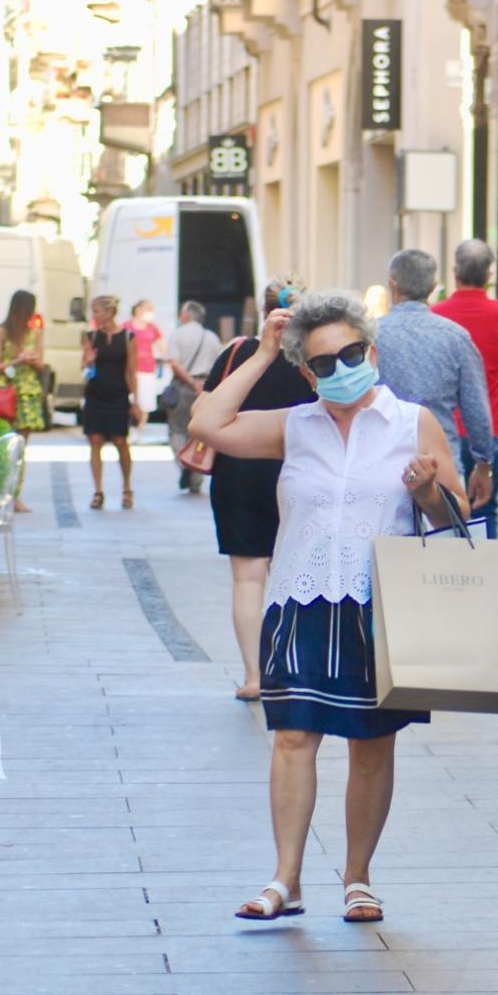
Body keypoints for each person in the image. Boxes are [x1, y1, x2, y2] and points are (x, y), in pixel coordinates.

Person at [189, 290, 467, 924]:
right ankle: (286, 879)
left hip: (378, 606)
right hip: (299, 597)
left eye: (351, 352)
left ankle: (357, 877)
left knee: (372, 743)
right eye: (322, 362)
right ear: (306, 370)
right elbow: (207, 424)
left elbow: (454, 512)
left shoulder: (410, 421)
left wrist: (426, 491)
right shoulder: (296, 425)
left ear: (371, 350)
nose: (341, 367)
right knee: (292, 737)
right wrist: (262, 353)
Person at [202, 277, 316, 701]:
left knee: (248, 579)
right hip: (300, 472)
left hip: (238, 472)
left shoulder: (238, 353)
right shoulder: (315, 358)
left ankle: (254, 675)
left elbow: (205, 409)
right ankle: (293, 667)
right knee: (301, 575)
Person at [371, 249, 494, 513]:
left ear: (393, 283)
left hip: (380, 463)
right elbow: (477, 411)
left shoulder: (370, 336)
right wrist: (483, 464)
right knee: (441, 548)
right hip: (441, 463)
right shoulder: (456, 337)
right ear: (433, 287)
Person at [433, 239, 498, 536]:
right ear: (489, 275)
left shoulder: (437, 313)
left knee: (441, 507)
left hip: (446, 425)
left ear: (455, 272)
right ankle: (483, 577)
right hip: (492, 421)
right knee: (486, 505)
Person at [80, 295, 141, 510]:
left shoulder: (127, 337)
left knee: (120, 442)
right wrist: (88, 363)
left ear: (109, 312)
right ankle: (98, 491)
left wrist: (135, 401)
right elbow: (84, 372)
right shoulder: (90, 336)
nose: (94, 315)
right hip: (95, 394)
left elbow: (131, 371)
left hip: (118, 395)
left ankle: (127, 487)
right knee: (95, 441)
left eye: (97, 311)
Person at [0, 290, 47, 512]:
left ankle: (15, 495)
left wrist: (32, 361)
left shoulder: (35, 333)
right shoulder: (1, 331)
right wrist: (17, 360)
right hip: (6, 392)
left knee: (20, 448)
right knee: (2, 445)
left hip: (28, 392)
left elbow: (41, 365)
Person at [165, 300, 223, 494]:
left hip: (183, 387)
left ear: (187, 315)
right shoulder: (212, 337)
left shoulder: (177, 335)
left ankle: (184, 465)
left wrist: (190, 382)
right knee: (200, 434)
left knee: (177, 429)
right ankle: (195, 477)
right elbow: (219, 366)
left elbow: (174, 363)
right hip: (206, 389)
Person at [127, 298, 166, 438]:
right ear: (138, 310)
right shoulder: (127, 326)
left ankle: (140, 430)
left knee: (146, 401)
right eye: (148, 309)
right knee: (130, 399)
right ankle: (130, 428)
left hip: (148, 370)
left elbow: (163, 348)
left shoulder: (153, 328)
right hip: (131, 369)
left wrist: (167, 361)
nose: (150, 313)